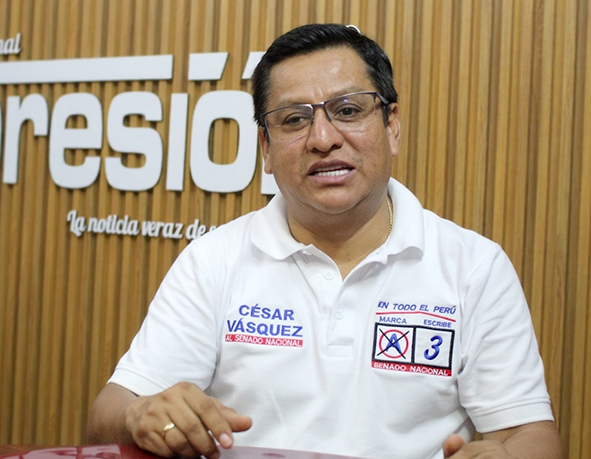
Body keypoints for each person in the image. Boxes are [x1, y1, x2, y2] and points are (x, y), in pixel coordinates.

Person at [87, 23, 563, 459]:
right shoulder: (214, 260)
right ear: (266, 148)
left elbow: (528, 432)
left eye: (348, 110)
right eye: (293, 120)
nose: (322, 138)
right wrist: (138, 415)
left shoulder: (472, 266)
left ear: (392, 126)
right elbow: (111, 412)